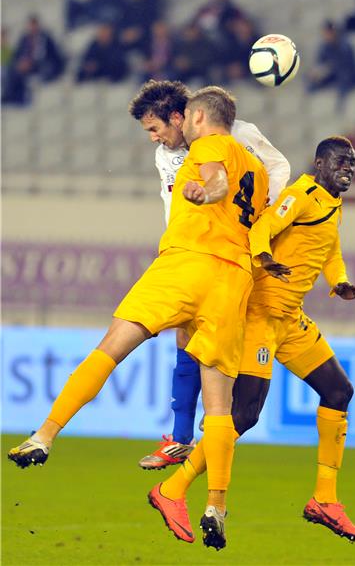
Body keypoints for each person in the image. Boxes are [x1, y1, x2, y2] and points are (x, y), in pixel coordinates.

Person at [8, 86, 270, 551]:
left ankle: (44, 435)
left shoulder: (210, 143)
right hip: (233, 284)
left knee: (112, 348)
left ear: (195, 116)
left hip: (187, 265)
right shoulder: (258, 170)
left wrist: (203, 190)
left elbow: (216, 184)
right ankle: (216, 504)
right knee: (220, 408)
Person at [150, 136, 355, 547]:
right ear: (319, 163)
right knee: (243, 417)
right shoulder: (300, 194)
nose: (349, 169)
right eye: (341, 161)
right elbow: (265, 225)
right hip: (260, 319)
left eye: (353, 164)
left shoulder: (331, 204)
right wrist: (265, 257)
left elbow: (330, 247)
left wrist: (338, 281)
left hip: (290, 321)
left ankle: (325, 499)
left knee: (339, 391)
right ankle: (172, 489)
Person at [128, 80, 290, 472]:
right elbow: (174, 205)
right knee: (186, 338)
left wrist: (262, 220)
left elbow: (279, 166)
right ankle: (181, 438)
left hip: (235, 254)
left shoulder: (240, 134)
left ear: (180, 117)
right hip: (194, 256)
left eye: (155, 128)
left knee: (223, 343)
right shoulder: (167, 156)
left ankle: (218, 425)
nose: (154, 139)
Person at [306, 20, 355, 108]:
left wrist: (330, 67)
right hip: (334, 73)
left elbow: (347, 65)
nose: (326, 36)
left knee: (344, 78)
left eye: (328, 33)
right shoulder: (324, 47)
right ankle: (311, 104)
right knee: (311, 80)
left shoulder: (345, 44)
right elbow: (319, 63)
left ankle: (340, 106)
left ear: (333, 32)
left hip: (350, 74)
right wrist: (317, 72)